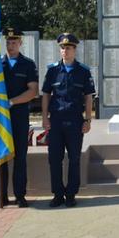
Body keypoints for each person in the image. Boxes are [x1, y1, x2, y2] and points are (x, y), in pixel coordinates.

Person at [41, 33, 95, 208]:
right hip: (56, 121)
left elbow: (88, 97)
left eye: (69, 48)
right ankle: (58, 194)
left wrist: (88, 120)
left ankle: (71, 194)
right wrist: (44, 118)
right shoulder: (53, 70)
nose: (65, 51)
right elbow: (46, 95)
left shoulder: (83, 72)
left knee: (74, 158)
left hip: (74, 121)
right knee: (54, 159)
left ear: (75, 49)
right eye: (63, 48)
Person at [0, 28, 39, 209]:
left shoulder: (27, 64)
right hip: (0, 118)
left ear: (20, 43)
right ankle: (0, 196)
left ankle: (20, 195)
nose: (10, 46)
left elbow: (33, 91)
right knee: (1, 157)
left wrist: (11, 102)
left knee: (20, 157)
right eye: (8, 42)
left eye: (14, 42)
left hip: (19, 116)